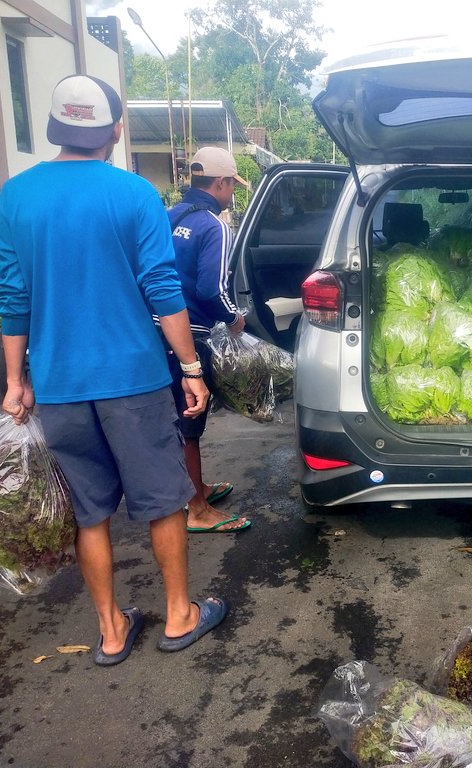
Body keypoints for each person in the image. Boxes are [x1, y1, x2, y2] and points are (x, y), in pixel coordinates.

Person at [0, 74, 227, 666]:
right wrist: (191, 367)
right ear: (116, 129)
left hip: (59, 384)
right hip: (133, 379)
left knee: (88, 510)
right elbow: (163, 288)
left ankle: (112, 630)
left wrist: (16, 382)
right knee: (163, 500)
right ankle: (179, 615)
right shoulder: (135, 194)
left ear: (55, 127)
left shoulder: (17, 195)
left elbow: (13, 295)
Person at [163, 146, 252, 534]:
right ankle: (197, 509)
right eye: (232, 185)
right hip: (187, 334)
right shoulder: (215, 226)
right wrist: (234, 318)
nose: (232, 192)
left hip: (154, 330)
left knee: (174, 416)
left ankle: (195, 490)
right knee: (190, 418)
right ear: (221, 183)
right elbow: (210, 290)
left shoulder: (168, 217)